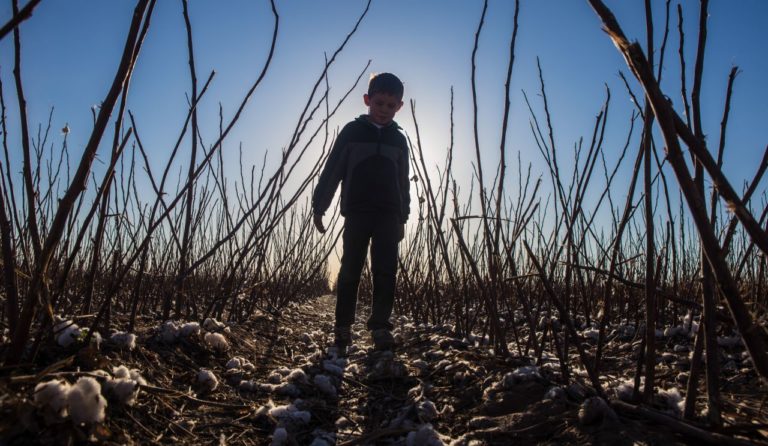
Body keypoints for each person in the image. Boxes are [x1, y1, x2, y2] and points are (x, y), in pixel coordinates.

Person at [312, 72, 410, 353]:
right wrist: (320, 206)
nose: (384, 110)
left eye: (391, 106)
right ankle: (342, 326)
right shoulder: (352, 133)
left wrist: (403, 216)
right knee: (350, 269)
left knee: (385, 271)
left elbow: (403, 181)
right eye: (379, 103)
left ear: (399, 107)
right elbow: (333, 171)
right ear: (368, 100)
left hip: (389, 215)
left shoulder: (399, 140)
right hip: (357, 212)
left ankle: (380, 326)